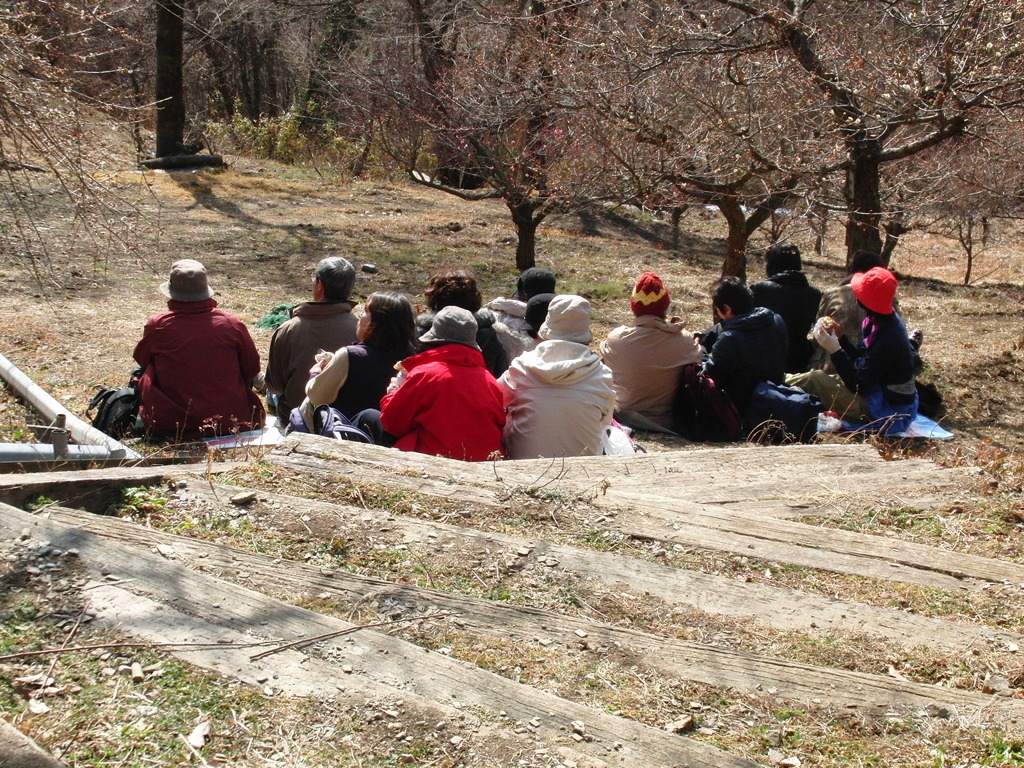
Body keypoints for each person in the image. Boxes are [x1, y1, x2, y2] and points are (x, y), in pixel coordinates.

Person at [133, 259, 265, 439]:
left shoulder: (158, 325)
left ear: (172, 293)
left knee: (143, 371)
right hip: (232, 421)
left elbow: (142, 359)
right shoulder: (231, 324)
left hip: (174, 423)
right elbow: (251, 369)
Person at [787, 266, 918, 432]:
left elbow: (858, 384)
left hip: (883, 408)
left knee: (815, 379)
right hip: (877, 392)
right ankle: (779, 379)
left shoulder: (888, 338)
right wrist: (842, 339)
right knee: (817, 378)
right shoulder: (880, 321)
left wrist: (834, 349)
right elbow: (862, 359)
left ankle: (770, 381)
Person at [373, 306, 505, 461]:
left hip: (434, 461)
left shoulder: (425, 374)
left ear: (434, 341)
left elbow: (392, 423)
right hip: (485, 463)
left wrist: (393, 393)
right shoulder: (490, 381)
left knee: (368, 416)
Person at [498, 295, 615, 459]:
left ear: (547, 327)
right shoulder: (602, 375)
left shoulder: (519, 368)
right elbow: (605, 424)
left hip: (522, 468)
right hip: (582, 472)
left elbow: (494, 401)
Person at [601, 272, 703, 432]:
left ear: (633, 306)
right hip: (666, 424)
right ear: (665, 307)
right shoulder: (684, 341)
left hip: (623, 418)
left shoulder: (615, 339)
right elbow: (700, 358)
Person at [301, 292, 418, 425]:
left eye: (365, 311)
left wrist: (315, 373)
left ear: (376, 323)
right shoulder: (411, 360)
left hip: (344, 433)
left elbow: (316, 397)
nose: (359, 316)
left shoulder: (350, 355)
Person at [264, 256, 358, 419]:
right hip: (344, 418)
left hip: (297, 417)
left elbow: (275, 386)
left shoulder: (289, 329)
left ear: (319, 285)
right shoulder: (360, 329)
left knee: (270, 393)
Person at [701, 277, 788, 416]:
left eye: (717, 308)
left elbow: (711, 375)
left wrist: (700, 356)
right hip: (774, 393)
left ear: (727, 309)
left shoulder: (730, 338)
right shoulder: (776, 319)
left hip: (741, 407)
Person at [417, 268, 509, 376]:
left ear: (434, 298)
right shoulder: (487, 334)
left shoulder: (423, 333)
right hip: (478, 391)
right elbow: (500, 372)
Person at [750, 243, 822, 373]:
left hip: (762, 360)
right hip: (799, 361)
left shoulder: (760, 290)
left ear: (771, 265)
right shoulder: (814, 294)